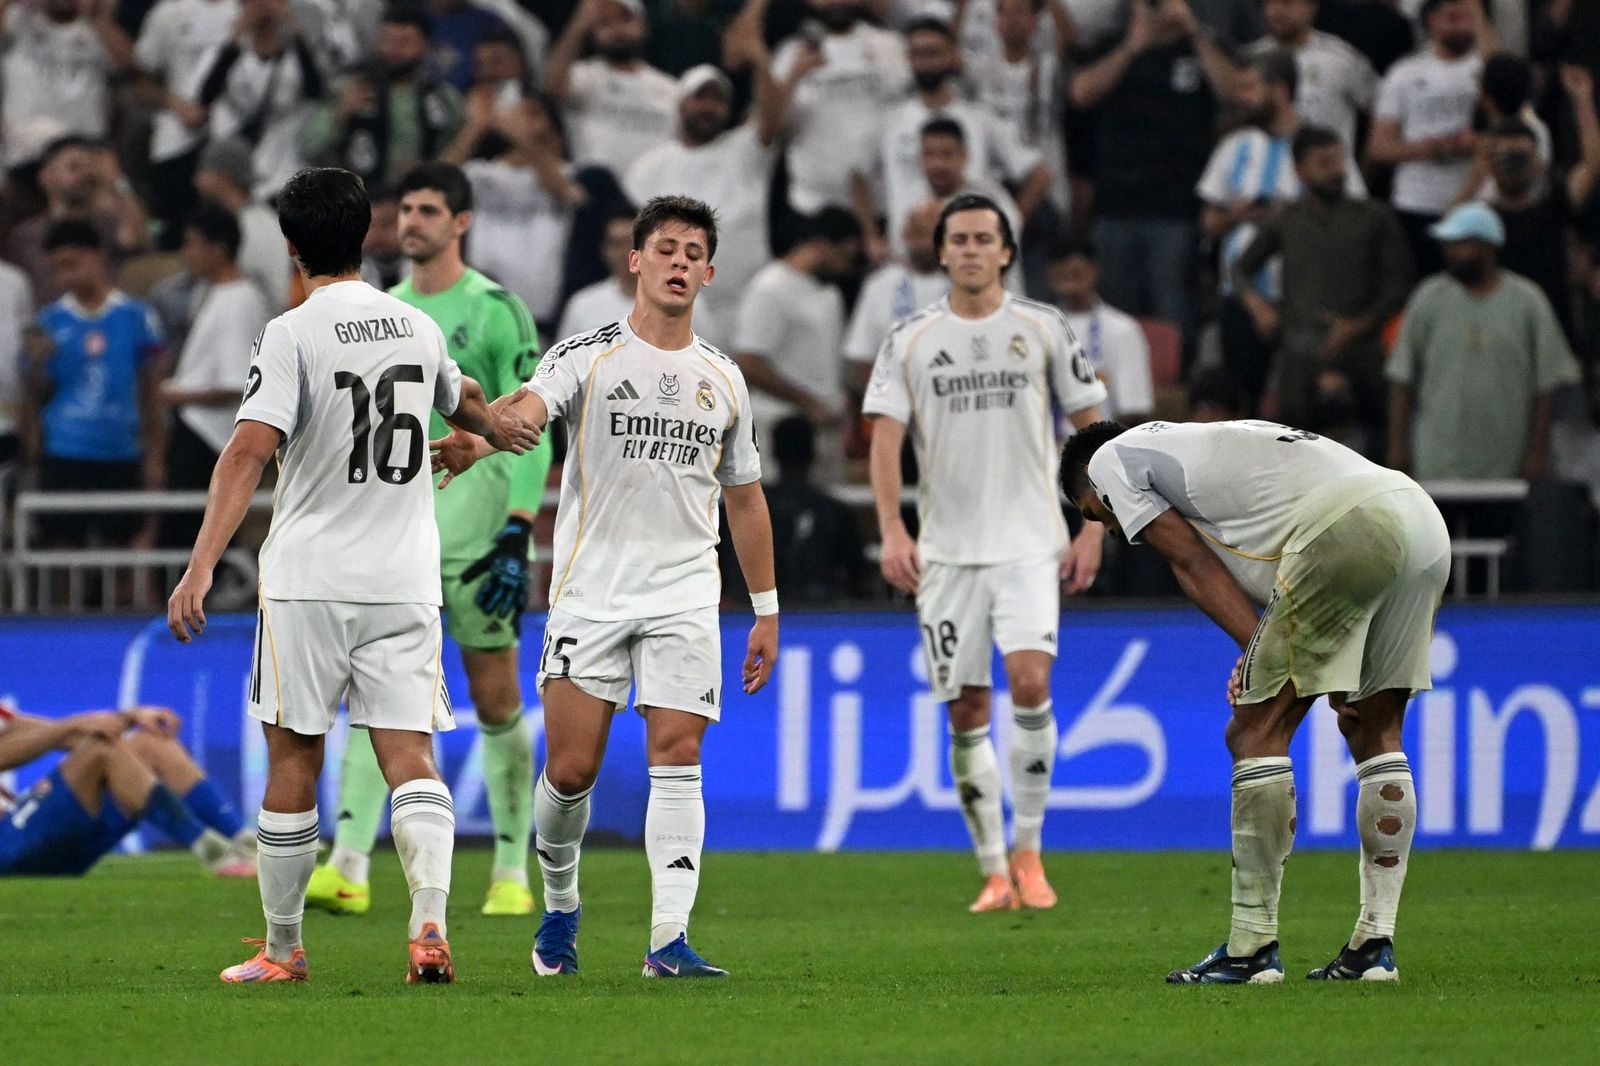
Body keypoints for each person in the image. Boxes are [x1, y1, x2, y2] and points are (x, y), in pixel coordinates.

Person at [165, 165, 540, 985]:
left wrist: (198, 567)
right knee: (412, 755)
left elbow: (246, 453)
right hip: (405, 579)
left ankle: (283, 950)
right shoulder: (414, 326)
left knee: (294, 758)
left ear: (292, 248)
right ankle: (432, 922)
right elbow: (465, 397)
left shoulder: (292, 331)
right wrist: (492, 433)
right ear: (367, 235)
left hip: (309, 579)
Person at [429, 194, 778, 979]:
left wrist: (766, 610)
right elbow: (527, 410)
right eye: (666, 249)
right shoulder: (586, 353)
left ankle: (668, 940)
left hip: (686, 592)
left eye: (694, 252)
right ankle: (559, 906)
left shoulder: (723, 379)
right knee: (572, 770)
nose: (679, 262)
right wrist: (475, 442)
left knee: (678, 750)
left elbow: (746, 497)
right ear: (635, 260)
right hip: (592, 592)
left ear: (711, 272)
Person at [1061, 418, 1451, 983]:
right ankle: (1374, 946)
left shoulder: (1109, 461)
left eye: (1095, 515)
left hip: (1348, 526)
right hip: (1417, 517)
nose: (1113, 530)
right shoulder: (1206, 452)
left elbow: (1191, 563)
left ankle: (1250, 948)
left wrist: (1253, 654)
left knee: (1252, 734)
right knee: (1373, 730)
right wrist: (1274, 654)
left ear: (1090, 487)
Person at [305, 161, 553, 919]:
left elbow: (528, 422)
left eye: (427, 209)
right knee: (377, 701)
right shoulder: (387, 312)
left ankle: (511, 867)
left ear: (462, 221)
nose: (410, 220)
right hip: (398, 542)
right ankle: (349, 863)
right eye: (403, 207)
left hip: (480, 540)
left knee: (496, 696)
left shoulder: (497, 308)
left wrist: (519, 528)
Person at [863, 193, 1107, 913]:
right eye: (958, 239)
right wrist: (893, 530)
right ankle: (993, 869)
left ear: (1006, 252)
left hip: (1031, 542)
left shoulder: (1044, 328)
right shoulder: (910, 337)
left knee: (1030, 684)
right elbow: (884, 439)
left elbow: (1093, 427)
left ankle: (1029, 852)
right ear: (941, 253)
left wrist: (1093, 525)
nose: (970, 250)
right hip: (946, 553)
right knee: (967, 708)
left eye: (984, 239)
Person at [1069, 0, 1239, 357]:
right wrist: (1134, 45)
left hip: (1176, 210)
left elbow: (1234, 93)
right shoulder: (1113, 44)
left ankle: (1175, 398)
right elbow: (1082, 93)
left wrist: (1194, 31)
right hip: (1116, 207)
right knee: (1117, 316)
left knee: (1174, 314)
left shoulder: (1202, 47)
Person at [1232, 125, 1411, 435]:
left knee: (1370, 442)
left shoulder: (1373, 217)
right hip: (1300, 353)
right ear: (1300, 170)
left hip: (1362, 350)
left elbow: (1400, 284)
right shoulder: (1287, 219)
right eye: (1323, 163)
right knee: (1293, 443)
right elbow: (1241, 268)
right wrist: (1258, 307)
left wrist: (1357, 325)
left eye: (1339, 161)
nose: (1336, 171)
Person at [1385, 201, 1581, 482]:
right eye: (1447, 244)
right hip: (1437, 461)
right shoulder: (1428, 297)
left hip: (1506, 462)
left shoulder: (1527, 301)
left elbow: (1546, 386)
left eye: (1460, 244)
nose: (1449, 252)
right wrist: (1397, 451)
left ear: (1488, 246)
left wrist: (1537, 455)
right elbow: (1401, 379)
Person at [624, 17, 783, 325]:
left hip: (744, 302)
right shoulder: (648, 168)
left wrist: (758, 56)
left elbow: (773, 115)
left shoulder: (744, 149)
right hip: (674, 305)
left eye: (717, 100)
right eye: (700, 97)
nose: (708, 107)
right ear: (681, 103)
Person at [855, 15, 1049, 266]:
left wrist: (1011, 222)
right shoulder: (891, 120)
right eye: (917, 54)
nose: (924, 62)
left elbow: (1039, 173)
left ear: (951, 55)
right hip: (906, 258)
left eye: (932, 53)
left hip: (967, 258)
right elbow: (857, 175)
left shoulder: (979, 118)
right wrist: (871, 236)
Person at [26, 220, 165, 549]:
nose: (66, 276)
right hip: (65, 450)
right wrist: (37, 364)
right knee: (61, 554)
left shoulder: (137, 317)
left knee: (118, 552)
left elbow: (151, 391)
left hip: (120, 450)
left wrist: (155, 455)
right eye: (58, 268)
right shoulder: (47, 323)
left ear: (98, 256)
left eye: (72, 264)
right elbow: (35, 396)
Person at [1, 701, 255, 877]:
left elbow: (65, 733)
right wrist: (71, 726)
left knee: (150, 744)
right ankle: (213, 853)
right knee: (101, 751)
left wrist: (129, 718)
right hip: (8, 849)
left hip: (30, 838)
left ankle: (248, 847)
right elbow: (63, 731)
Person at [159, 201, 272, 547]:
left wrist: (177, 393)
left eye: (192, 243)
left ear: (218, 247)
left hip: (208, 435)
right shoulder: (216, 293)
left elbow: (235, 383)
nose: (186, 253)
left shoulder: (239, 300)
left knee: (195, 534)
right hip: (196, 429)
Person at [733, 207, 859, 474]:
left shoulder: (830, 295)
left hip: (826, 429)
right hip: (779, 429)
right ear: (822, 245)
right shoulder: (770, 289)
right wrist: (807, 402)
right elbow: (750, 361)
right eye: (844, 256)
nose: (847, 267)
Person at [1367, 0, 1484, 278]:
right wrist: (1431, 149)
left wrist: (1474, 143)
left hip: (1476, 200)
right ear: (1432, 21)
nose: (1462, 25)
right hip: (1416, 202)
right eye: (1453, 18)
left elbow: (1511, 125)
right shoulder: (1405, 72)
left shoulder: (1484, 69)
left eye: (1468, 18)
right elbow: (1378, 147)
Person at [299, 5, 464, 192]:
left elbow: (462, 151)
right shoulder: (351, 89)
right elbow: (309, 148)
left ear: (425, 46)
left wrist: (429, 170)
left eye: (404, 42)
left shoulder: (443, 98)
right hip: (358, 200)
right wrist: (340, 113)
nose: (393, 50)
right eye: (387, 40)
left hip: (423, 197)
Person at [769, 0, 909, 217]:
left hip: (883, 200)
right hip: (813, 204)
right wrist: (795, 74)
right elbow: (773, 127)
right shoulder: (791, 53)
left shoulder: (889, 44)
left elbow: (909, 111)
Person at [195, 0, 327, 201]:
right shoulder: (224, 54)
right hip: (234, 169)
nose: (262, 8)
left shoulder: (296, 58)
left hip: (284, 169)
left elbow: (315, 91)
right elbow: (205, 97)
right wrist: (236, 37)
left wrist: (295, 30)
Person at [134, 0, 240, 247]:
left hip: (230, 137)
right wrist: (178, 106)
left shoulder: (246, 9)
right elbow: (140, 81)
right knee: (171, 229)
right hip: (176, 139)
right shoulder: (167, 12)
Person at [7, 135, 150, 308]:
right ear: (46, 177)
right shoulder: (27, 234)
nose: (84, 175)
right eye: (74, 167)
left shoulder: (103, 222)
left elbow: (139, 240)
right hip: (53, 323)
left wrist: (117, 181)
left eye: (88, 168)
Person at [542, 0, 677, 174]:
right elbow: (551, 89)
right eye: (605, 22)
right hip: (596, 192)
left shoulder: (671, 89)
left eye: (625, 19)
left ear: (642, 25)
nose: (617, 28)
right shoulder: (583, 76)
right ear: (593, 32)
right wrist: (578, 26)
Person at [0, 0, 133, 172]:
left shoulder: (96, 30)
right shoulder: (19, 20)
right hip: (27, 146)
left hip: (85, 147)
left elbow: (132, 69)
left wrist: (96, 17)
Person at [842, 199, 949, 403]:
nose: (924, 242)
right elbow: (862, 356)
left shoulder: (971, 284)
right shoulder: (880, 284)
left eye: (932, 233)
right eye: (917, 232)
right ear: (904, 235)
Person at [558, 209, 718, 342]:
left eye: (631, 242)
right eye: (616, 243)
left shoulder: (689, 305)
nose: (625, 252)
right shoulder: (582, 306)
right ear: (604, 250)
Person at [1047, 239, 1153, 423]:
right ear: (1050, 275)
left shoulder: (1122, 329)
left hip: (1101, 443)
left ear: (1094, 270)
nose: (1070, 282)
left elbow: (1134, 409)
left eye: (1076, 274)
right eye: (1062, 275)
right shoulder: (1038, 327)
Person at [1245, 0, 1375, 150]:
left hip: (1330, 167)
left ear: (1311, 7)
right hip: (1264, 167)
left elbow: (1381, 113)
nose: (1276, 11)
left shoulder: (1341, 58)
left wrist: (1363, 166)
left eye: (1287, 3)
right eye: (1270, 3)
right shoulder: (1251, 59)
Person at [193, 136, 291, 312]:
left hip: (256, 325)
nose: (196, 179)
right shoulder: (258, 218)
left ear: (223, 178)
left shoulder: (250, 226)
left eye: (203, 170)